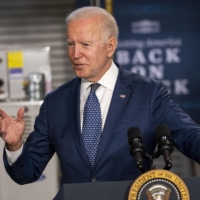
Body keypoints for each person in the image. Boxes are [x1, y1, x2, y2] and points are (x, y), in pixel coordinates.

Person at [0, 6, 200, 186]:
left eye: (85, 44)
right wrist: (15, 145)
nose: (75, 53)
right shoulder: (55, 102)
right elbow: (26, 173)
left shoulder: (147, 93)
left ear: (110, 47)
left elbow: (189, 136)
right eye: (71, 43)